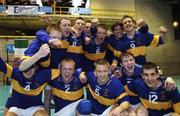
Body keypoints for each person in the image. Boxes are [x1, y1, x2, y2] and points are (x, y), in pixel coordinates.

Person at [0, 44, 57, 116]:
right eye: (26, 68)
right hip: (16, 107)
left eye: (31, 67)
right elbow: (1, 65)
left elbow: (63, 71)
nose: (28, 71)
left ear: (36, 68)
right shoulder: (14, 73)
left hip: (35, 107)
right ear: (21, 67)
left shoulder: (43, 75)